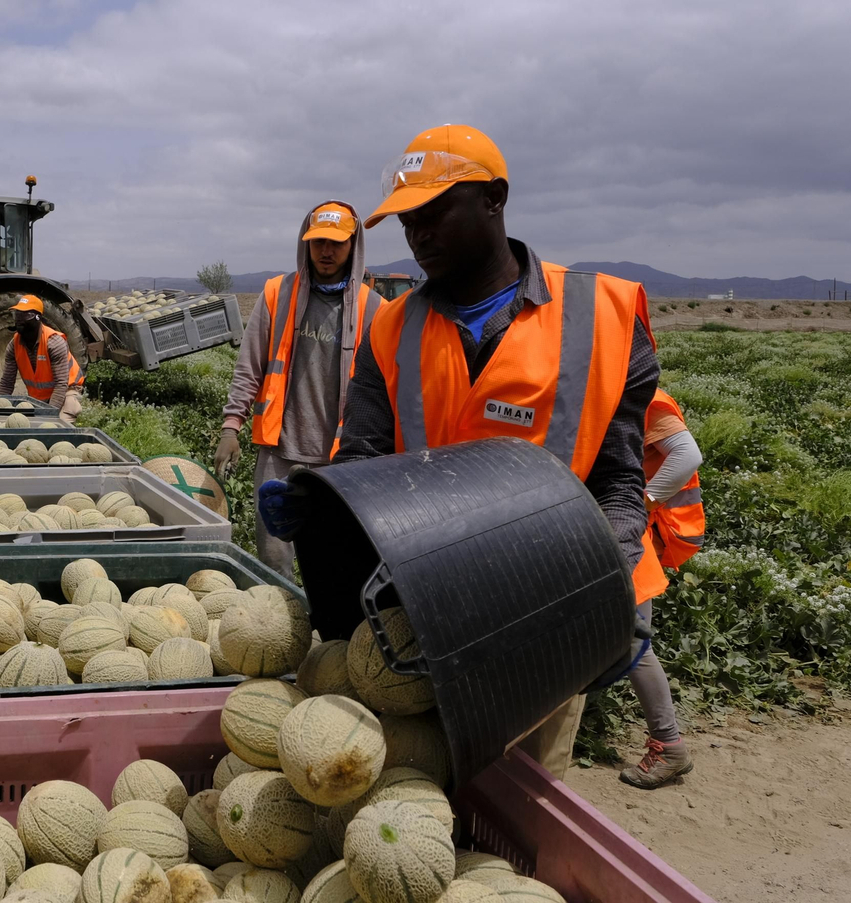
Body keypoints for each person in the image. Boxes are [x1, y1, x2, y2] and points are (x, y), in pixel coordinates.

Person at [265, 125, 663, 780]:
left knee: (518, 803)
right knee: (419, 791)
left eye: (434, 210)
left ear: (494, 199)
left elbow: (619, 478)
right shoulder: (391, 326)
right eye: (406, 220)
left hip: (546, 613)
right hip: (423, 612)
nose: (418, 232)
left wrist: (613, 597)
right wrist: (321, 501)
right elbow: (364, 453)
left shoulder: (602, 313)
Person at [215, 201, 381, 579]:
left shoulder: (374, 309)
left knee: (333, 560)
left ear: (353, 245)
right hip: (279, 451)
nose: (326, 251)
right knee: (274, 559)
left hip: (340, 459)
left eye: (337, 243)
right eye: (318, 241)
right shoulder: (277, 293)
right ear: (305, 242)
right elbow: (250, 365)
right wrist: (231, 426)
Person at [620, 388, 705, 788]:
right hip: (615, 532)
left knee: (633, 643)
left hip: (626, 536)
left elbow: (687, 455)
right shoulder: (599, 389)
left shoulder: (641, 395)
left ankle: (668, 745)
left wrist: (643, 500)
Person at [0, 294, 84, 423]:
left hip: (67, 390)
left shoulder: (53, 342)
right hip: (39, 396)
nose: (19, 319)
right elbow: (6, 384)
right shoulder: (14, 345)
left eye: (25, 315)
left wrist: (47, 415)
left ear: (37, 318)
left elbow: (61, 384)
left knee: (57, 426)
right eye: (17, 314)